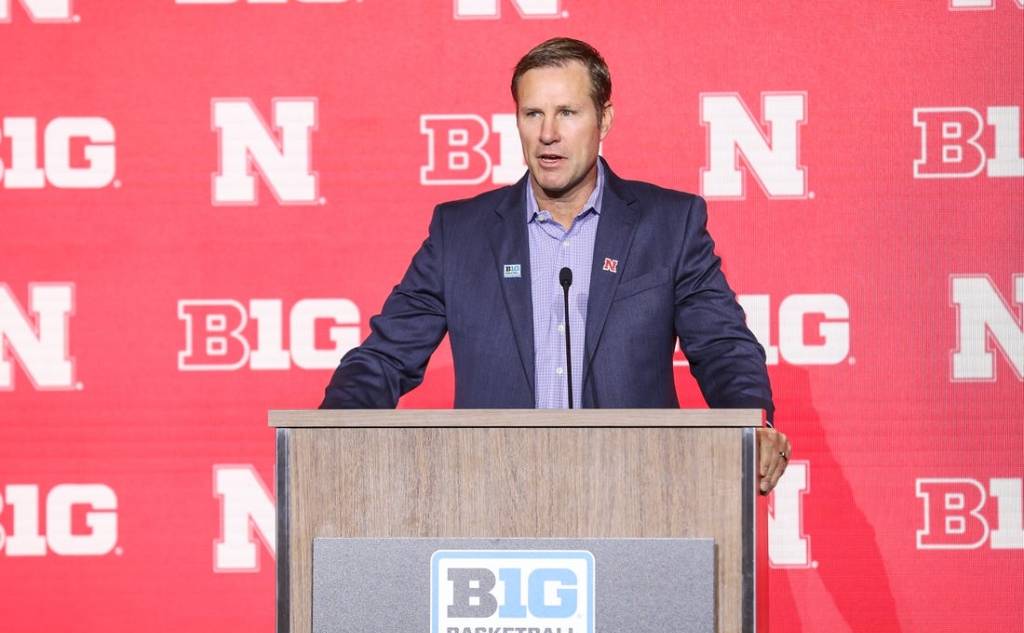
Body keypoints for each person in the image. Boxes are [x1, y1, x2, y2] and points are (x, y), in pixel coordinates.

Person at [320, 37, 791, 493]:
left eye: (567, 112)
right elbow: (385, 358)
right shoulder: (461, 233)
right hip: (493, 499)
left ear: (603, 119)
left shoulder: (668, 225)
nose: (548, 133)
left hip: (637, 497)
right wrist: (327, 430)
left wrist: (753, 423)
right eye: (533, 114)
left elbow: (722, 348)